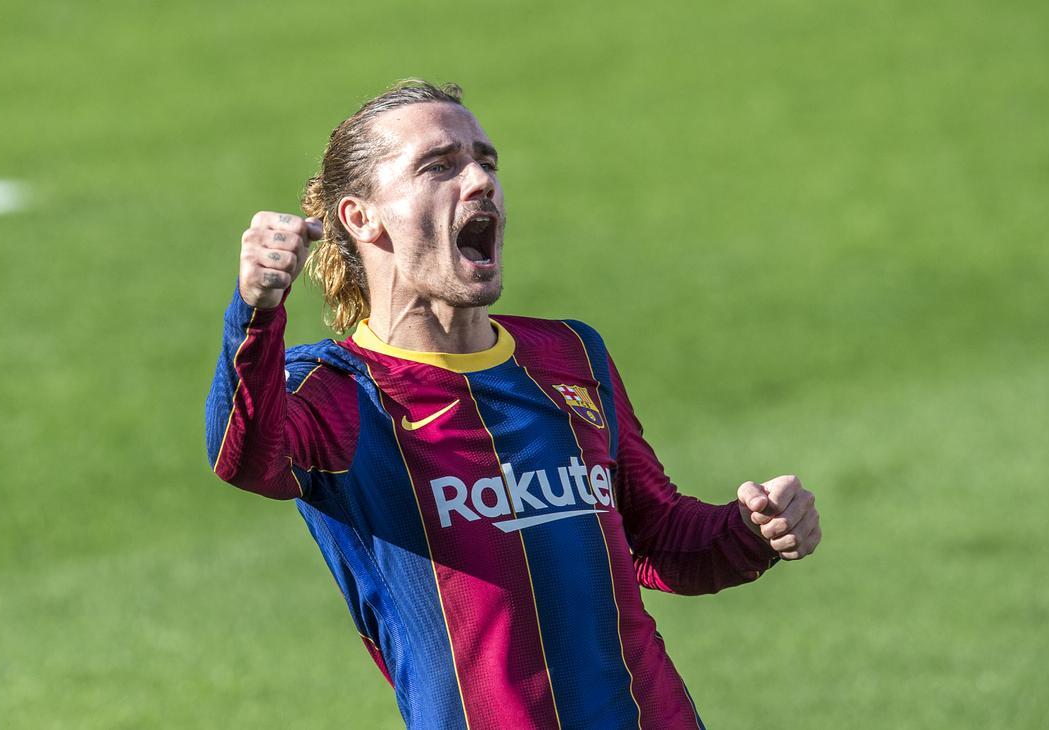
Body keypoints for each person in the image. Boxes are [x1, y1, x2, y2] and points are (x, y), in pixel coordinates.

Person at [205, 80, 820, 729]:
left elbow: (655, 536)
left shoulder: (570, 356)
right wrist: (255, 312)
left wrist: (751, 533)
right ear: (361, 217)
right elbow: (243, 458)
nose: (479, 181)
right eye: (440, 165)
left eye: (486, 162)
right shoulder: (335, 392)